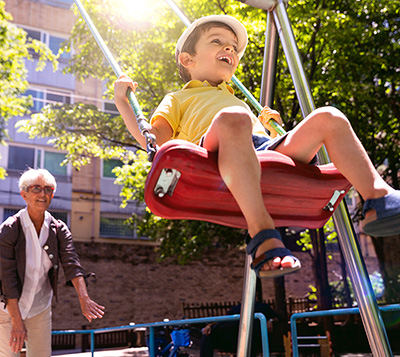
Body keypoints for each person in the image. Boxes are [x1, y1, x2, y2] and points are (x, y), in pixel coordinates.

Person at [114, 15, 400, 279]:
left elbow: (263, 144)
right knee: (233, 118)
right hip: (211, 157)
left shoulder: (237, 101)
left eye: (234, 47)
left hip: (262, 152)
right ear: (187, 59)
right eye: (217, 41)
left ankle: (377, 198)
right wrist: (123, 103)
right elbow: (153, 139)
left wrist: (273, 128)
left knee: (329, 117)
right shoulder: (177, 98)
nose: (230, 49)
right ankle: (263, 235)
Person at [0, 168, 105, 357]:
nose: (43, 194)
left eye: (48, 189)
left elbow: (71, 262)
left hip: (39, 306)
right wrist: (17, 321)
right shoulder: (10, 229)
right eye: (36, 189)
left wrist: (84, 298)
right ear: (24, 194)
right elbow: (7, 278)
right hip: (8, 307)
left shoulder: (58, 229)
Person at [200, 301, 280, 357]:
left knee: (248, 335)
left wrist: (270, 320)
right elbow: (224, 319)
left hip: (249, 335)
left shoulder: (261, 307)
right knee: (207, 337)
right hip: (229, 336)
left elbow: (278, 318)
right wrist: (210, 325)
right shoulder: (237, 308)